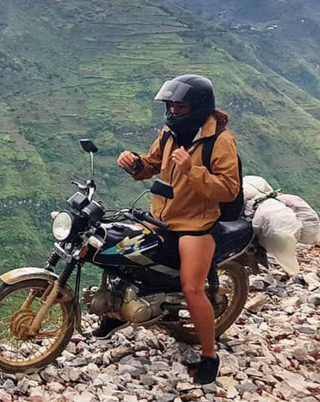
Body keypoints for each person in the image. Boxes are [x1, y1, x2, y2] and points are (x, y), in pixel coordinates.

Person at [94, 74, 240, 385]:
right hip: (160, 217)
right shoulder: (170, 133)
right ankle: (114, 313)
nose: (173, 112)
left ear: (199, 107)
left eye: (180, 107)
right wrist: (134, 164)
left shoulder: (220, 140)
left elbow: (228, 190)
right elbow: (150, 165)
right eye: (171, 106)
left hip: (196, 226)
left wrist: (192, 169)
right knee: (116, 250)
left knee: (192, 289)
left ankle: (210, 358)